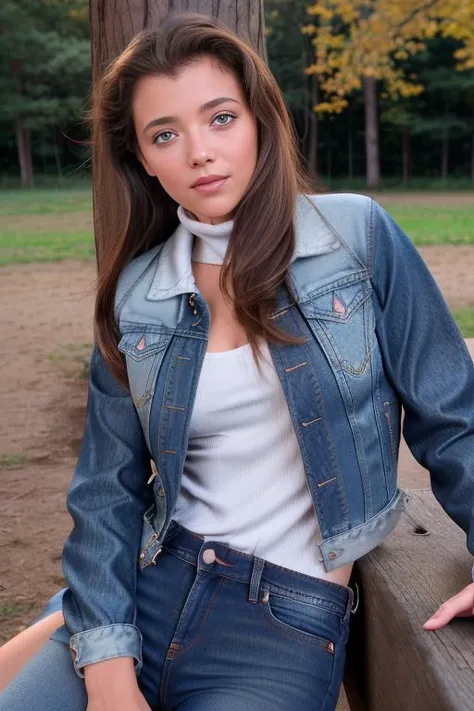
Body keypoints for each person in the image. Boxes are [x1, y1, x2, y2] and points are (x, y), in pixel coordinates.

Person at [1, 12, 473, 711]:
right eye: (166, 134)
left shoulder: (357, 237)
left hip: (282, 628)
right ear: (144, 160)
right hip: (149, 589)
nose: (198, 151)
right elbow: (106, 491)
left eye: (220, 118)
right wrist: (105, 664)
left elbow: (451, 413)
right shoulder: (140, 293)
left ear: (259, 120)